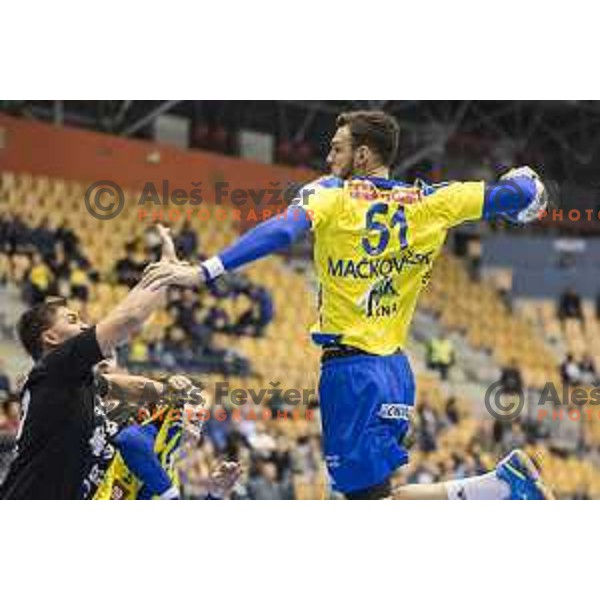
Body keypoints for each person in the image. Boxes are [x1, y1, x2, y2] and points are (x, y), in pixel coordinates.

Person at [141, 110, 552, 500]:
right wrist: (522, 182)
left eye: (337, 147)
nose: (328, 156)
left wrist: (203, 272)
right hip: (396, 372)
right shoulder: (434, 201)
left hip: (351, 375)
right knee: (371, 496)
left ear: (362, 154)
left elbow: (284, 230)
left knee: (364, 502)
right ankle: (495, 485)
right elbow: (520, 194)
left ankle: (498, 487)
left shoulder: (331, 195)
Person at [0, 226, 173, 499]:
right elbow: (130, 318)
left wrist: (176, 392)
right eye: (72, 320)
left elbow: (131, 386)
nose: (84, 326)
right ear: (51, 337)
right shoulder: (55, 366)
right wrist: (167, 270)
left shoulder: (73, 380)